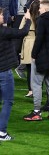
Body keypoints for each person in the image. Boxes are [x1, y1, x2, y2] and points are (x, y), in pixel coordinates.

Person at [0, 9, 29, 140]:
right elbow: (22, 32)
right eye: (1, 15)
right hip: (4, 71)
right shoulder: (3, 32)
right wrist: (28, 19)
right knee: (8, 101)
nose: (3, 16)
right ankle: (2, 132)